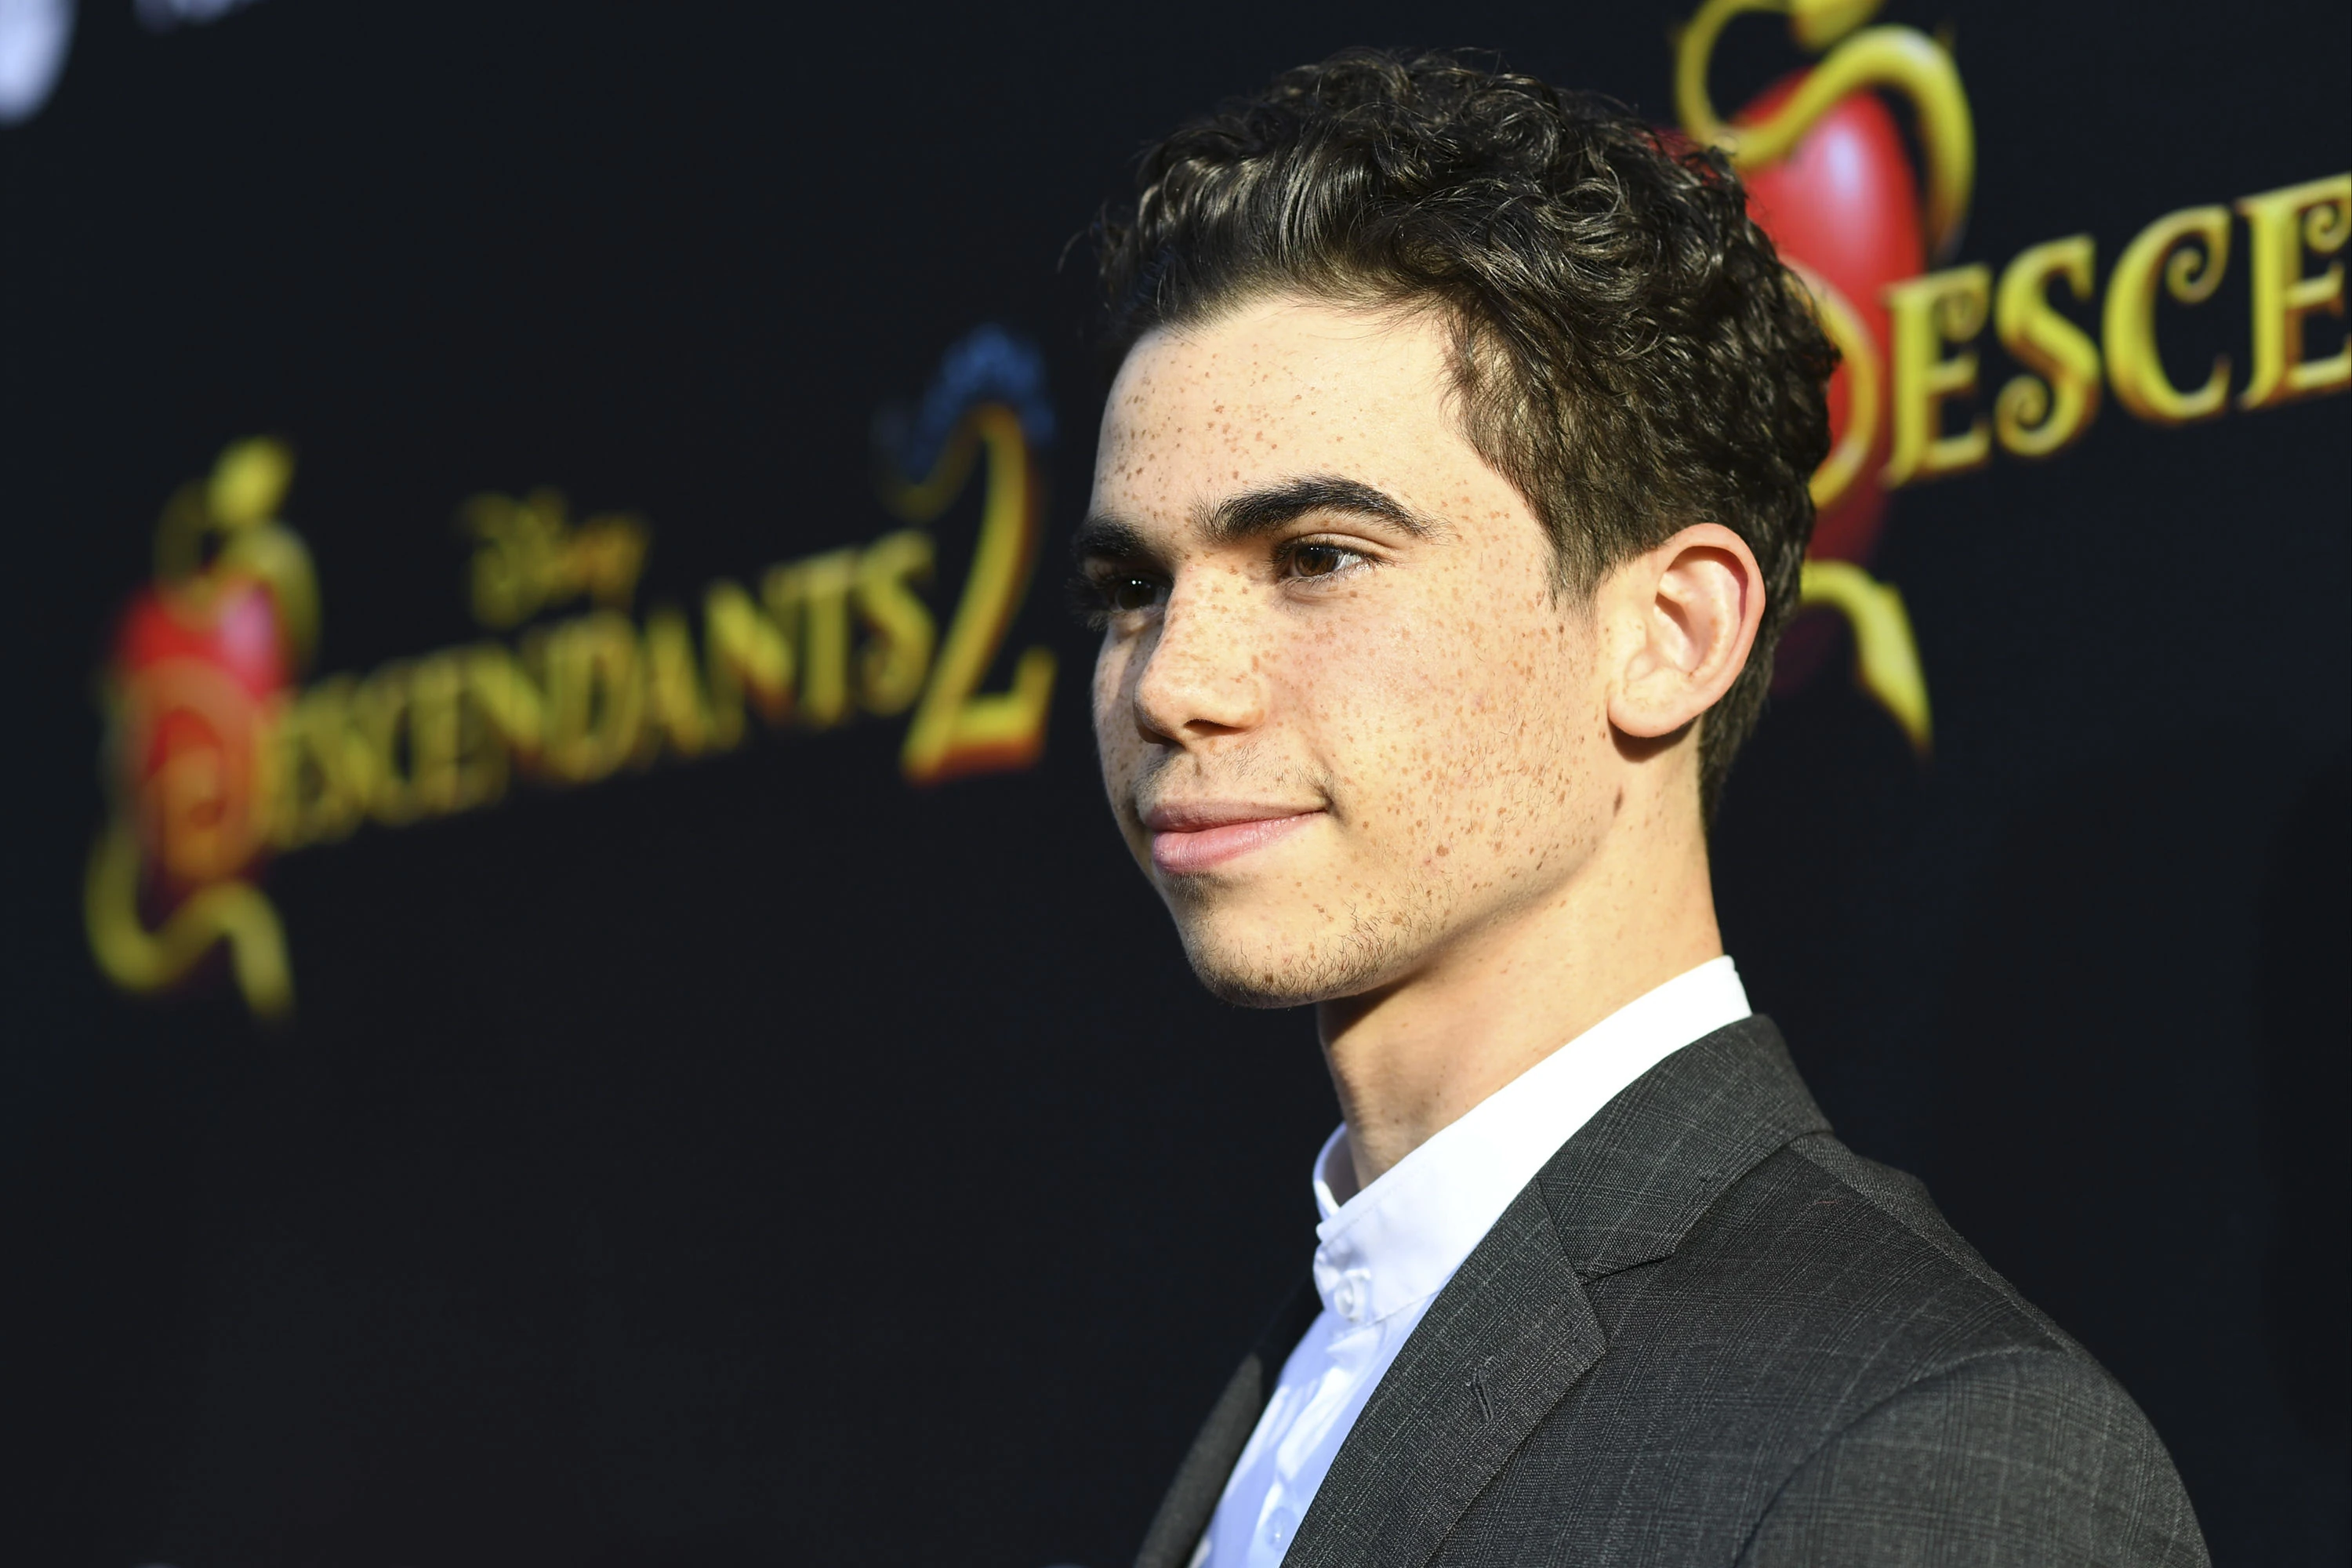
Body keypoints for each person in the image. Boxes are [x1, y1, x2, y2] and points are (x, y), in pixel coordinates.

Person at [1074, 49, 2208, 1568]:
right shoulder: (1307, 1355)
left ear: (1671, 633)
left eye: (1317, 557)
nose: (1171, 683)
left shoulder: (1933, 1446)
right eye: (1132, 585)